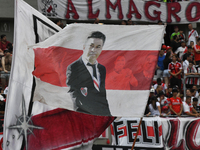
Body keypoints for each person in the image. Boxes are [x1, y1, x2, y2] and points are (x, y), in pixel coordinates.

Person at [66, 31, 111, 116]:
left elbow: (102, 95)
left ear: (102, 49)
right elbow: (73, 95)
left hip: (101, 116)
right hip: (84, 116)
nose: (94, 50)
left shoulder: (102, 69)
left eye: (98, 47)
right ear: (84, 47)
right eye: (91, 46)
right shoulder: (73, 68)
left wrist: (108, 115)